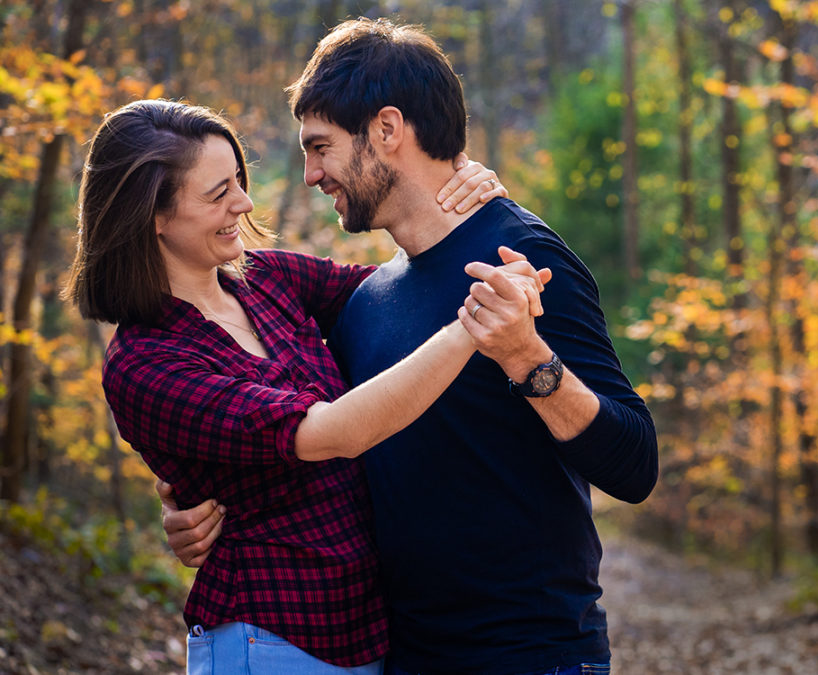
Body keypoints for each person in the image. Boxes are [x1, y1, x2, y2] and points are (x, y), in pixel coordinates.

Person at [165, 16, 659, 675]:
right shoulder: (365, 301)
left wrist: (527, 359)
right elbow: (296, 429)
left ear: (388, 130)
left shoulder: (520, 259)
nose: (310, 174)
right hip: (397, 656)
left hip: (529, 655)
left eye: (320, 147)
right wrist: (192, 498)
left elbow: (634, 463)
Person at [64, 99, 549, 673]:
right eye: (219, 194)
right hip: (268, 639)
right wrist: (473, 327)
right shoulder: (146, 366)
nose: (244, 204)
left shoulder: (266, 279)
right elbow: (330, 432)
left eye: (239, 182)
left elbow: (404, 291)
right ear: (154, 216)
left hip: (367, 631)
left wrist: (462, 203)